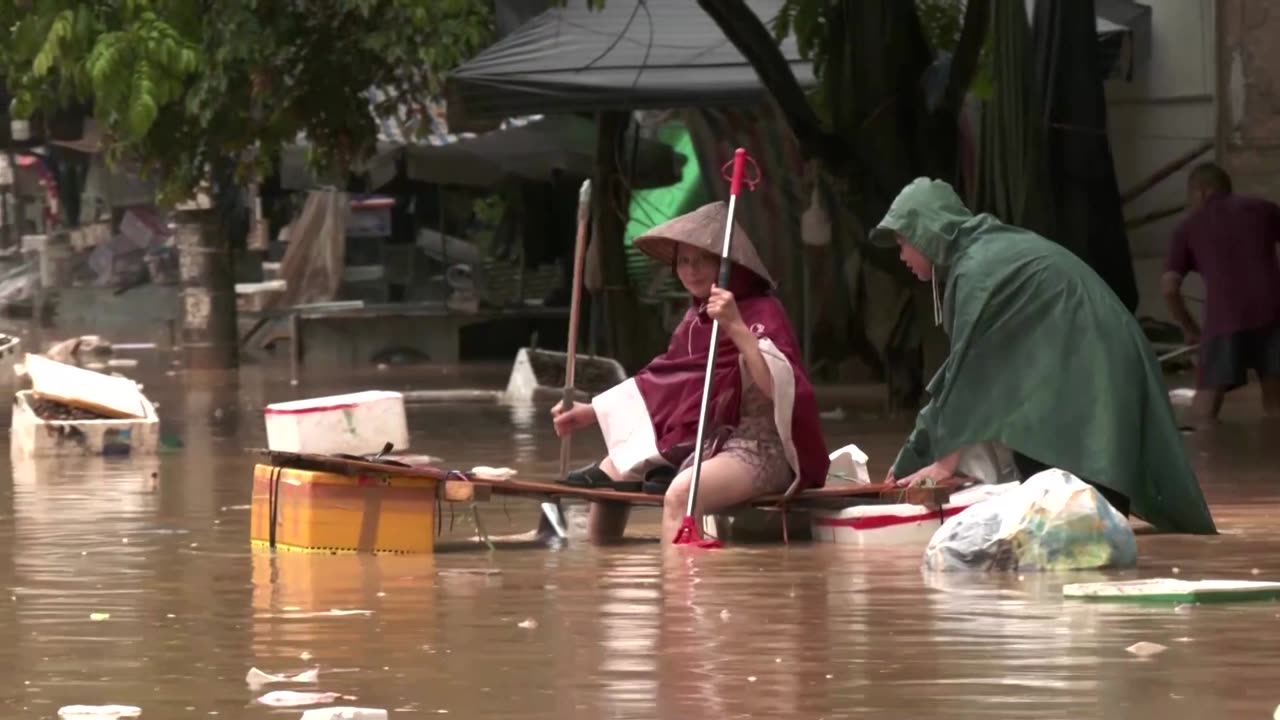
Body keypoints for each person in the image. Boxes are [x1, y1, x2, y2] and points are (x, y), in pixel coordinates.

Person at [867, 177, 1217, 535]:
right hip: (1086, 361)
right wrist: (913, 459)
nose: (902, 256)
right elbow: (961, 377)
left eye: (902, 243)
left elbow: (971, 377)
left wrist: (940, 465)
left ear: (926, 232)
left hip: (1092, 364)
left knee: (1067, 511)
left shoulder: (977, 271)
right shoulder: (981, 255)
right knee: (1067, 506)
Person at [549, 201, 831, 543]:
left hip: (760, 449)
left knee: (681, 493)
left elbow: (779, 390)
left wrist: (736, 326)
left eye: (703, 260)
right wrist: (591, 412)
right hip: (705, 442)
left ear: (728, 267)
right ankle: (606, 579)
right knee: (614, 470)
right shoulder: (694, 320)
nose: (692, 270)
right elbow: (666, 382)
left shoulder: (764, 311)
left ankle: (679, 593)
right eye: (683, 261)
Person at [1161, 162, 1280, 424]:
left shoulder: (1187, 227)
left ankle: (1204, 458)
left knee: (1204, 410)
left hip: (1224, 320)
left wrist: (1190, 328)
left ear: (1202, 191)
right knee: (1276, 405)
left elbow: (1169, 289)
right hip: (1273, 314)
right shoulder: (1264, 209)